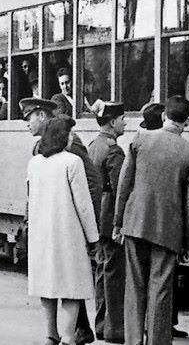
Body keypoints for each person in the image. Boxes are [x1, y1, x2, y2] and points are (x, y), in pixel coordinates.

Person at [114, 95, 189, 345]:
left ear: (164, 116)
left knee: (134, 289)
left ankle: (133, 341)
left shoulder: (140, 140)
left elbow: (124, 183)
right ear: (187, 121)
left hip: (135, 223)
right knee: (161, 292)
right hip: (168, 231)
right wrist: (187, 241)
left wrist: (118, 222)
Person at [20, 97, 101, 345]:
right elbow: (84, 206)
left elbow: (30, 199)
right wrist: (93, 238)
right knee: (71, 288)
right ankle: (68, 337)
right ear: (63, 137)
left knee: (47, 286)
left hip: (42, 235)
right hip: (69, 235)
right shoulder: (72, 162)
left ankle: (50, 334)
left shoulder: (34, 163)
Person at [88, 101, 127, 343]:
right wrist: (120, 222)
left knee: (102, 271)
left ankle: (101, 325)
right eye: (122, 119)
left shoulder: (94, 145)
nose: (125, 122)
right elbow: (120, 190)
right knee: (114, 274)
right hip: (110, 217)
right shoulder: (114, 150)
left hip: (98, 218)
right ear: (112, 123)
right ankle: (115, 329)